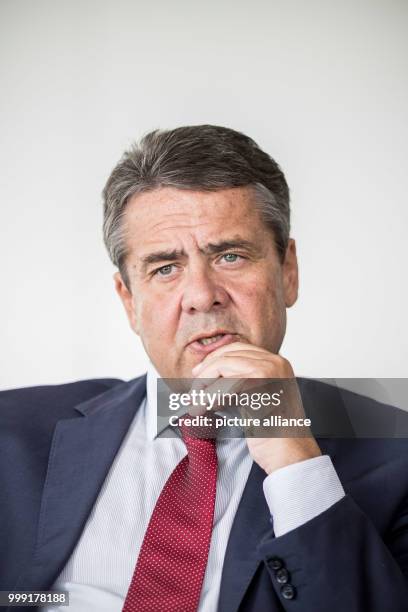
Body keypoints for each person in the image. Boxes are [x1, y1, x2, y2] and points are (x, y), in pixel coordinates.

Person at [1, 125, 408, 612]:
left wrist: (294, 461)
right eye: (165, 268)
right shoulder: (13, 431)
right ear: (129, 301)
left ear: (287, 272)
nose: (201, 295)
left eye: (230, 256)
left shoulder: (396, 454)